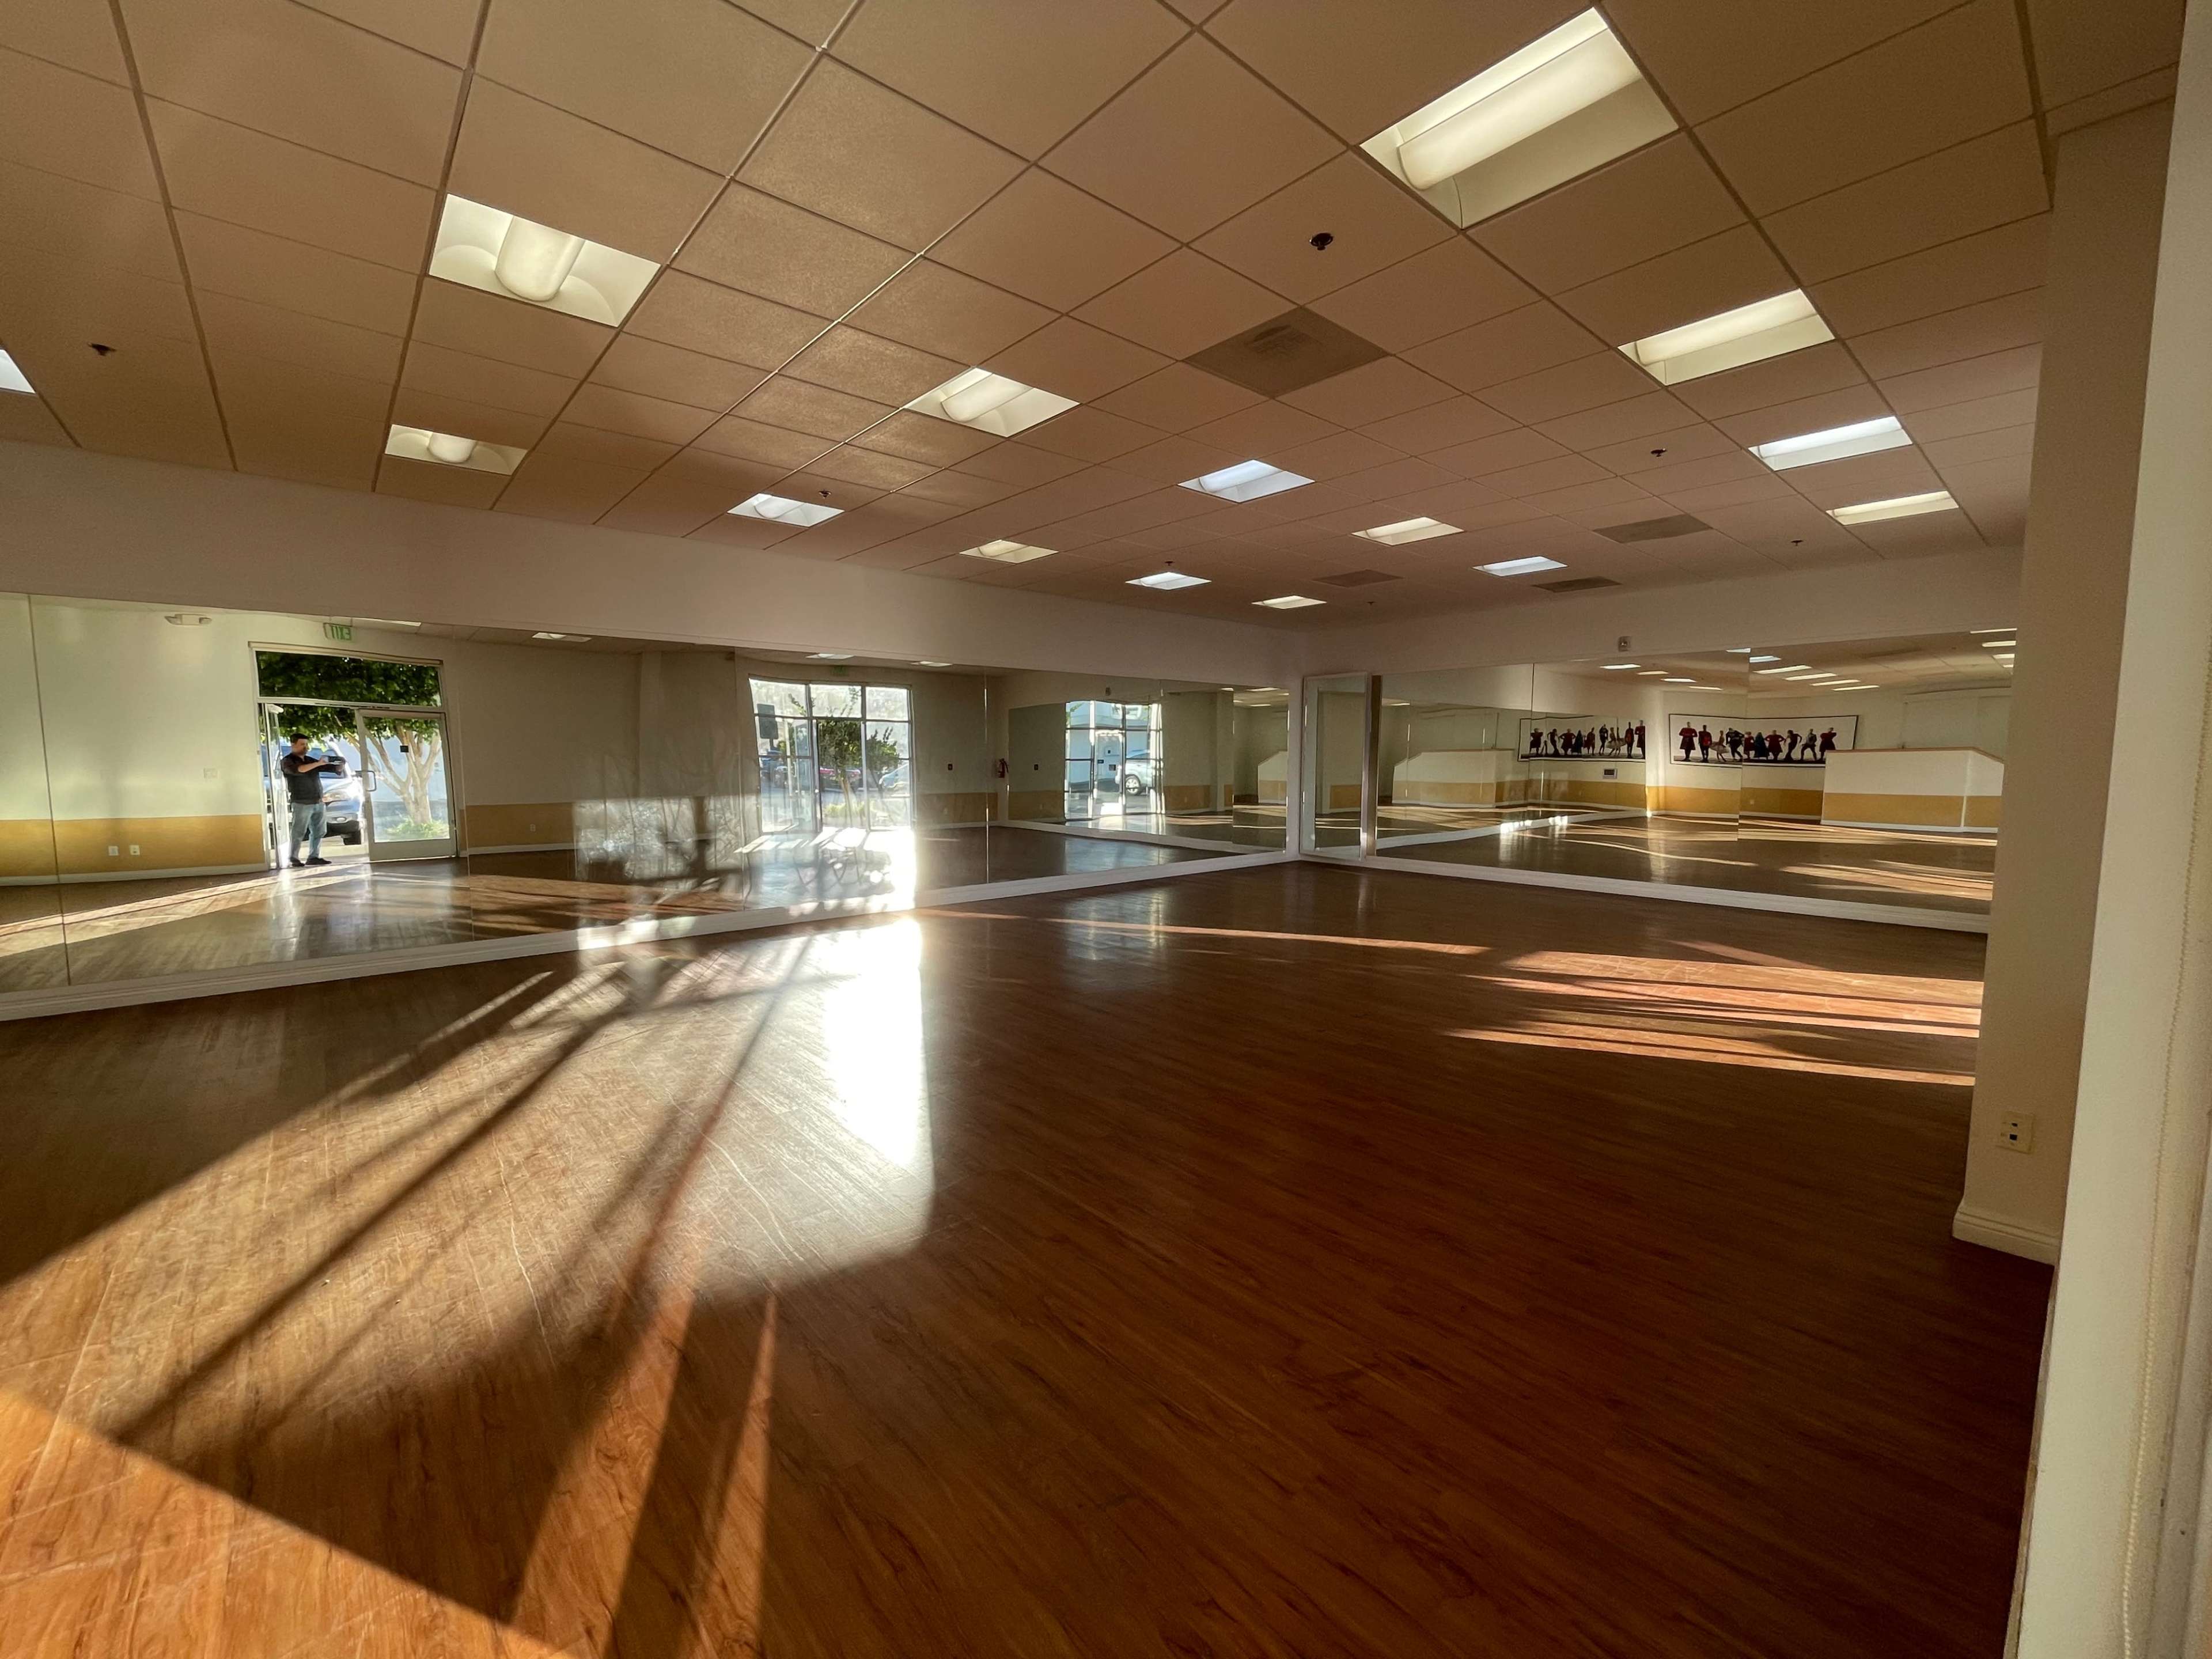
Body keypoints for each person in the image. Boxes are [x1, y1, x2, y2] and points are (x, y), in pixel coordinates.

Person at [280, 732, 342, 867]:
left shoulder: (310, 760)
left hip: (318, 801)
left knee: (319, 831)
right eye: (302, 744)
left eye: (307, 744)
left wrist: (339, 764)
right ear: (293, 745)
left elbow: (331, 768)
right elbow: (300, 770)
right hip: (301, 802)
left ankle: (314, 856)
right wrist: (318, 763)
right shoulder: (287, 761)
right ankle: (293, 857)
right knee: (299, 831)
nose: (305, 747)